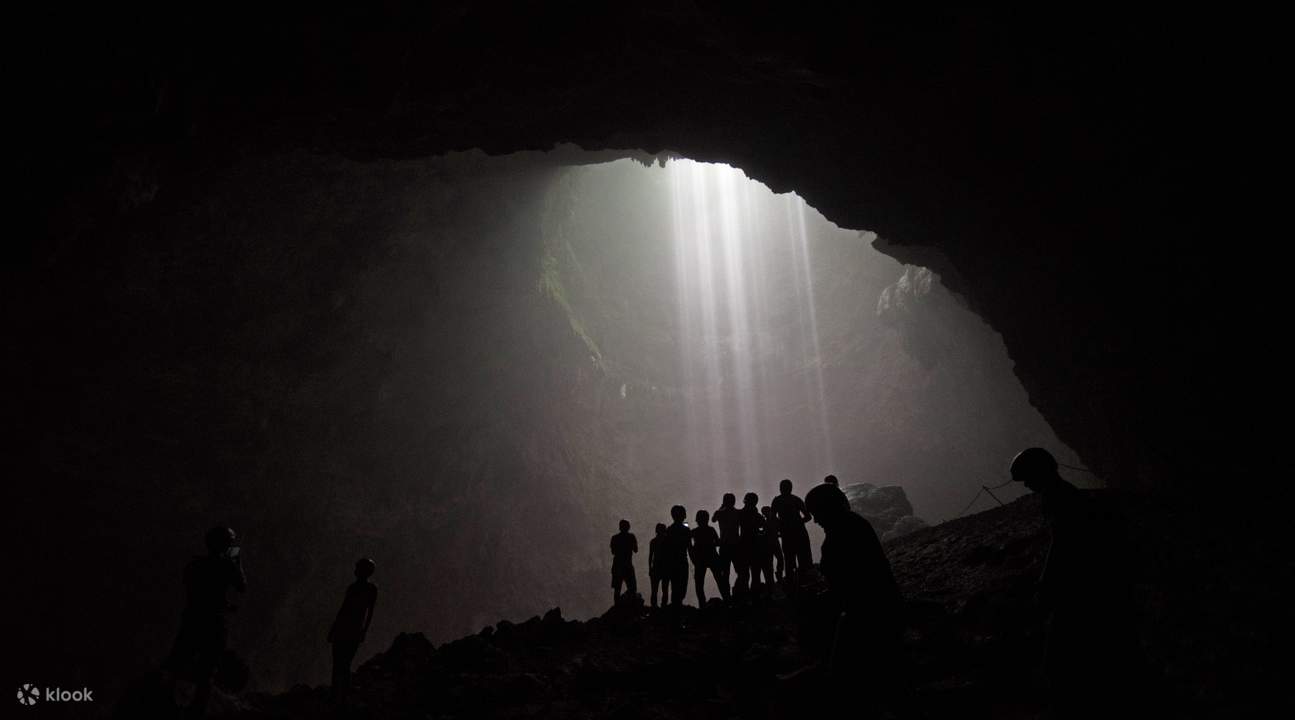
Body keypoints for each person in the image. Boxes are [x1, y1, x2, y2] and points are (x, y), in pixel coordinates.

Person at [1010, 447, 1143, 718]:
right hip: (1093, 588)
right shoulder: (1063, 495)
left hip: (1082, 593)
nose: (1026, 485)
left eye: (1027, 478)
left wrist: (1045, 589)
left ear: (1039, 472)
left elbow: (1063, 548)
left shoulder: (1059, 500)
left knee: (1062, 661)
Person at [805, 483, 909, 718]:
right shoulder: (856, 525)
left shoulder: (837, 537)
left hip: (866, 618)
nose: (815, 521)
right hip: (885, 610)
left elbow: (848, 589)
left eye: (816, 514)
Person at [165, 526, 247, 719]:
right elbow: (242, 585)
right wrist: (237, 562)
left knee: (178, 664)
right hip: (214, 624)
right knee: (207, 670)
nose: (233, 545)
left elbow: (197, 594)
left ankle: (165, 703)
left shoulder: (195, 565)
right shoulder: (227, 566)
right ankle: (196, 711)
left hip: (192, 619)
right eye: (231, 542)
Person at [328, 558, 377, 701]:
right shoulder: (372, 589)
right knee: (345, 663)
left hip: (345, 628)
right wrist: (364, 631)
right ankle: (343, 694)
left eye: (357, 567)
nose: (355, 569)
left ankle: (337, 694)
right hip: (355, 630)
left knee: (338, 663)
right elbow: (370, 613)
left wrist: (333, 629)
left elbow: (344, 609)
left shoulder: (354, 588)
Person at [772, 479, 813, 583]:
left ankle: (793, 585)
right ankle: (803, 583)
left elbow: (773, 518)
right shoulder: (796, 499)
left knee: (790, 561)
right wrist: (797, 523)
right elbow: (808, 517)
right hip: (798, 533)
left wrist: (781, 526)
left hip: (788, 534)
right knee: (801, 560)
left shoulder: (777, 501)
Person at [690, 509, 723, 606]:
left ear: (697, 520)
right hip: (712, 557)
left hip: (700, 559)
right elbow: (718, 542)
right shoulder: (711, 530)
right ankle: (727, 600)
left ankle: (702, 605)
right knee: (720, 581)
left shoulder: (694, 532)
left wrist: (693, 557)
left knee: (699, 585)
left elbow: (689, 544)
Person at [736, 492, 766, 595]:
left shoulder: (740, 514)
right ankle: (753, 596)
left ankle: (745, 596)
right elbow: (763, 526)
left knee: (745, 574)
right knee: (754, 573)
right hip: (753, 546)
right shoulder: (755, 514)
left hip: (744, 545)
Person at [663, 506, 692, 610]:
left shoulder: (669, 530)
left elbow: (666, 549)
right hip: (681, 561)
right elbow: (689, 547)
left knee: (675, 588)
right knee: (681, 587)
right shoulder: (686, 530)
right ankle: (677, 611)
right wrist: (694, 560)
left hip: (672, 562)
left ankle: (675, 612)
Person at [712, 493, 740, 599]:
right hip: (736, 546)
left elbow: (713, 519)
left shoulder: (720, 513)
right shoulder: (738, 513)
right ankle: (737, 591)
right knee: (740, 572)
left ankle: (727, 597)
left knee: (725, 574)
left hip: (724, 546)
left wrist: (721, 506)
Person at [610, 519, 639, 604]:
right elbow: (636, 550)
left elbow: (613, 552)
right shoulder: (631, 537)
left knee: (617, 589)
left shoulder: (615, 538)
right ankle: (631, 608)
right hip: (628, 566)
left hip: (617, 565)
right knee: (632, 588)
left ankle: (617, 607)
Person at [761, 505, 785, 583]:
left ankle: (777, 575)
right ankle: (775, 577)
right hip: (770, 543)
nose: (766, 514)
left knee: (779, 560)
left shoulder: (772, 520)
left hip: (771, 543)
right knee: (773, 561)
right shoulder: (767, 520)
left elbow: (780, 529)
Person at [648, 523, 669, 608]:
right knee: (664, 589)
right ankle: (663, 606)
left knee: (654, 590)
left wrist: (650, 568)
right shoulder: (667, 541)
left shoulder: (653, 541)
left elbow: (650, 556)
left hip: (656, 567)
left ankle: (654, 606)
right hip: (665, 567)